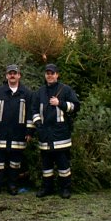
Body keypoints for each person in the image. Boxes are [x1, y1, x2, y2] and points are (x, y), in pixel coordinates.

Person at [32, 64, 80, 199]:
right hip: (44, 135)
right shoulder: (39, 92)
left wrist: (60, 103)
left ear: (57, 75)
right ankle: (47, 188)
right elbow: (34, 110)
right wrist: (38, 125)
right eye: (47, 73)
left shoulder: (66, 90)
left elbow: (76, 106)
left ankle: (65, 189)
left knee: (63, 165)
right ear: (45, 75)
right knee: (46, 165)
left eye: (52, 73)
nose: (50, 75)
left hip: (61, 134)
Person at [0, 64, 34, 198]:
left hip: (18, 134)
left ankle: (12, 186)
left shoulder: (27, 93)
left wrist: (29, 131)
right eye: (10, 73)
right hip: (0, 133)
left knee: (15, 163)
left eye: (15, 73)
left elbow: (31, 113)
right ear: (6, 76)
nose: (12, 75)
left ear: (19, 75)